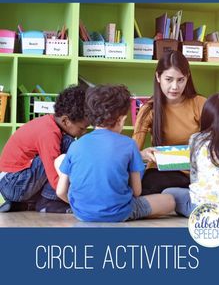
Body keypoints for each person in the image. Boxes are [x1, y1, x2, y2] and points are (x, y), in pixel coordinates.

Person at [55, 84, 175, 222]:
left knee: (60, 161)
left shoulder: (76, 145)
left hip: (82, 213)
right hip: (119, 213)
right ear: (120, 120)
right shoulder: (129, 144)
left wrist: (81, 207)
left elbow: (60, 192)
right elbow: (137, 192)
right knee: (169, 200)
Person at [0, 85, 88, 213]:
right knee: (66, 148)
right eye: (82, 128)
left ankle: (25, 204)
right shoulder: (49, 134)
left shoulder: (50, 123)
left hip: (10, 183)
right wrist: (77, 202)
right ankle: (48, 202)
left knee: (63, 149)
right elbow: (54, 176)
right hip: (13, 183)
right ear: (65, 121)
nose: (84, 132)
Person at [132, 50, 206, 194]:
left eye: (180, 80)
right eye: (169, 79)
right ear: (158, 77)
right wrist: (142, 154)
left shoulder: (200, 103)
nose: (174, 87)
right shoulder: (148, 109)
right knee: (147, 187)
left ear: (187, 78)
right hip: (162, 172)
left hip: (197, 171)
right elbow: (133, 151)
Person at [162, 93, 219, 219]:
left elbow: (194, 176)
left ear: (206, 116)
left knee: (167, 193)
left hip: (202, 208)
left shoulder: (197, 139)